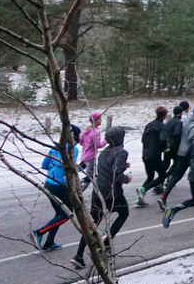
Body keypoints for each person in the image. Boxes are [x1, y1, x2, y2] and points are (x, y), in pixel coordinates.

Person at [71, 126, 132, 269]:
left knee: (93, 223)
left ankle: (78, 255)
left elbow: (107, 169)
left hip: (98, 191)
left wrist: (122, 167)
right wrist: (126, 178)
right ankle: (106, 244)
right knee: (124, 213)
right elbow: (116, 174)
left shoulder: (104, 151)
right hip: (112, 193)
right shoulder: (121, 152)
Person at [30, 125, 81, 252]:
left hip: (49, 183)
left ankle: (49, 242)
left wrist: (54, 170)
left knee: (59, 214)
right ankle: (39, 232)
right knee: (67, 214)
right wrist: (80, 168)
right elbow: (69, 168)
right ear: (74, 137)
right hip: (60, 186)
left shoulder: (54, 147)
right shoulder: (73, 149)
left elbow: (44, 165)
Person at [160, 105, 194, 208]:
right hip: (190, 154)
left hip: (181, 152)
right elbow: (193, 139)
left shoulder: (186, 123)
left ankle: (163, 197)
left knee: (176, 176)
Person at [136, 106, 168, 206]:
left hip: (145, 154)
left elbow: (143, 139)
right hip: (155, 156)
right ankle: (144, 189)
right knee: (162, 175)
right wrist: (166, 149)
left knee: (150, 177)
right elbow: (163, 141)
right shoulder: (162, 127)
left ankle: (140, 200)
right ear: (165, 116)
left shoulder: (149, 125)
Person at [78, 112, 105, 190]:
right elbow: (98, 145)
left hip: (84, 156)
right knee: (91, 177)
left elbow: (81, 141)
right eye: (99, 119)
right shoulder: (95, 132)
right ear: (95, 121)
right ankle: (79, 191)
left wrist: (87, 145)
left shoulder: (86, 131)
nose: (101, 121)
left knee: (90, 175)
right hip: (90, 157)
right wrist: (106, 141)